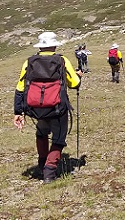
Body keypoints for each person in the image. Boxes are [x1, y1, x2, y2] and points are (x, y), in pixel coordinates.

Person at [13, 31, 82, 183]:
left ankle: (41, 164)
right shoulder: (62, 60)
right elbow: (74, 83)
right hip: (57, 107)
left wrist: (18, 112)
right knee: (58, 139)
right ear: (54, 45)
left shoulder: (29, 62)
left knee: (42, 133)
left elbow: (20, 88)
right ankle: (49, 172)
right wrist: (79, 76)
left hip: (36, 108)